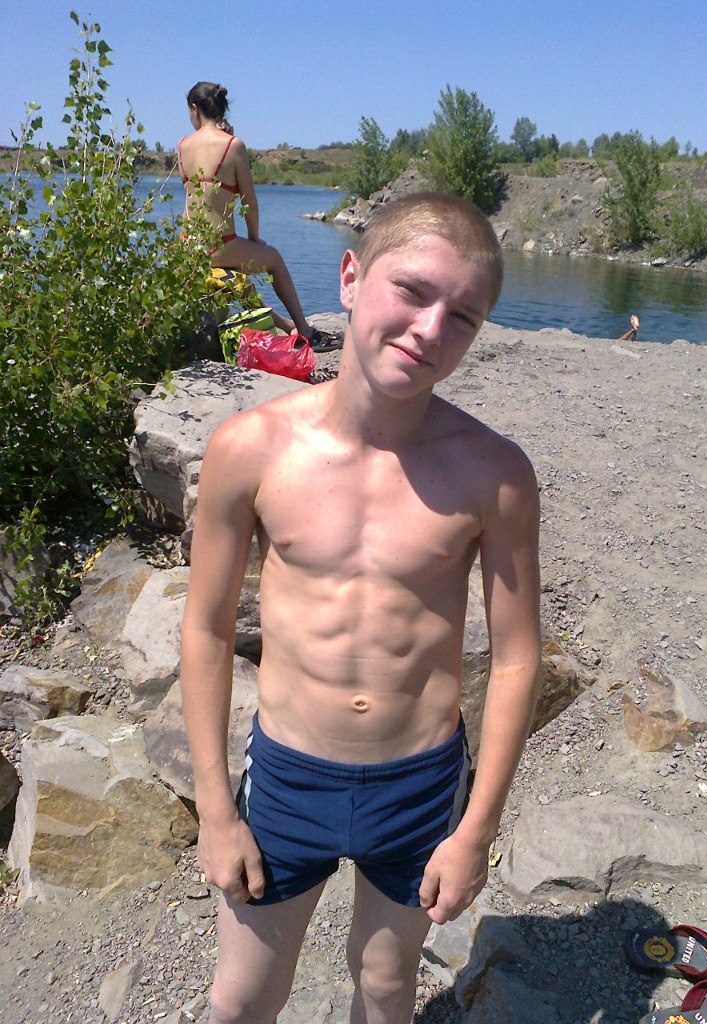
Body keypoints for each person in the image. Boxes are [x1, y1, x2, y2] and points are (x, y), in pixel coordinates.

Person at [180, 192, 542, 1024]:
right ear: (350, 277)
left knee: (384, 982)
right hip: (288, 775)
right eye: (411, 291)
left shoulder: (494, 473)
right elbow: (204, 629)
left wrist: (476, 830)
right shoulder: (251, 448)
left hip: (420, 782)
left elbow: (519, 656)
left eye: (462, 317)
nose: (429, 329)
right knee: (241, 997)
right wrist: (215, 808)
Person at [179, 81, 340, 350]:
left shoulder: (182, 144)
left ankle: (286, 326)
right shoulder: (233, 145)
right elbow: (249, 201)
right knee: (274, 259)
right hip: (217, 246)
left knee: (239, 282)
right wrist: (254, 238)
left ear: (195, 109)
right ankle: (305, 331)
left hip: (187, 247)